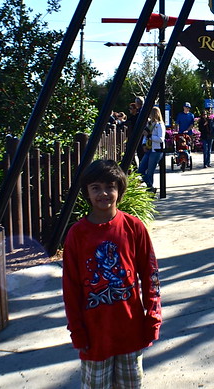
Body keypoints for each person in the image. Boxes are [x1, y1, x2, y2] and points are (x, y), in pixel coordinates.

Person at [62, 159, 161, 389]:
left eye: (110, 186)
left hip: (131, 329)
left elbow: (150, 274)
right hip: (94, 336)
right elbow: (71, 287)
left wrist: (153, 317)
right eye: (95, 187)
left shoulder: (134, 227)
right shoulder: (77, 234)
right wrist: (76, 330)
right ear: (87, 192)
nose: (104, 193)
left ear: (120, 189)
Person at [138, 107, 165, 192]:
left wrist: (150, 136)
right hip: (149, 148)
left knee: (150, 171)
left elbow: (161, 139)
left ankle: (150, 189)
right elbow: (145, 136)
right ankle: (150, 186)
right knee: (140, 170)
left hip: (156, 150)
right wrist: (143, 144)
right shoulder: (149, 124)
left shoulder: (160, 125)